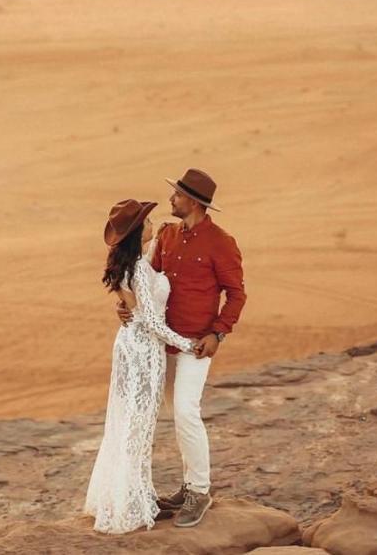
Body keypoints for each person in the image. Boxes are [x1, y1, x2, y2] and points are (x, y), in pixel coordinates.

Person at [116, 169, 247, 529]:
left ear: (194, 202)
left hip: (195, 344)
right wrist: (126, 306)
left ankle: (200, 491)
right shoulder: (167, 235)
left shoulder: (222, 243)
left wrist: (218, 333)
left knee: (187, 412)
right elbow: (147, 282)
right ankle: (188, 487)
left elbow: (237, 294)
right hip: (161, 345)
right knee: (177, 415)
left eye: (176, 195)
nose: (171, 200)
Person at [83, 199, 198, 534]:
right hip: (143, 350)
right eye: (148, 221)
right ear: (138, 231)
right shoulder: (137, 269)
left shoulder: (134, 263)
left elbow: (139, 297)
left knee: (130, 423)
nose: (153, 223)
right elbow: (151, 322)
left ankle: (134, 497)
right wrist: (189, 344)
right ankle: (128, 506)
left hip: (131, 344)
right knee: (137, 425)